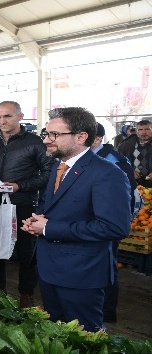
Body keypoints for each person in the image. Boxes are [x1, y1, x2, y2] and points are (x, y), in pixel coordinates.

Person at [22, 107, 131, 332]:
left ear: (81, 137)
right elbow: (56, 208)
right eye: (46, 133)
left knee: (83, 338)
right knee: (57, 334)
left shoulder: (107, 173)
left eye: (54, 135)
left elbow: (114, 227)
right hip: (50, 269)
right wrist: (38, 221)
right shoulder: (58, 166)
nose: (46, 140)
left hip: (82, 276)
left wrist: (50, 228)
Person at [0, 100, 54, 308]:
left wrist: (20, 185)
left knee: (27, 250)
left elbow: (47, 174)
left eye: (7, 116)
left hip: (23, 204)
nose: (2, 121)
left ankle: (26, 293)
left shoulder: (35, 143)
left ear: (20, 116)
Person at [92, 122, 137, 323]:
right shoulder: (83, 160)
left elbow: (129, 197)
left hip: (105, 226)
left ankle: (106, 313)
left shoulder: (115, 161)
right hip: (89, 226)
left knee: (106, 267)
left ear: (98, 139)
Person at [116, 120, 152, 188]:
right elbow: (117, 162)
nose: (144, 132)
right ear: (136, 131)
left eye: (147, 129)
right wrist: (129, 171)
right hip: (133, 183)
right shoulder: (125, 145)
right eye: (140, 129)